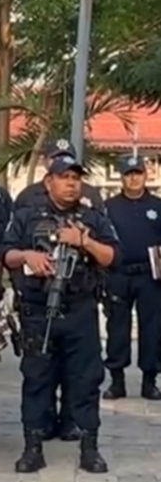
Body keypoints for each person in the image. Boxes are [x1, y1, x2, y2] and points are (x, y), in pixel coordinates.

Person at [2, 155, 118, 474]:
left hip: (80, 310)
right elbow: (6, 254)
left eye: (75, 178)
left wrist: (83, 240)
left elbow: (110, 256)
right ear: (48, 182)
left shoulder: (93, 217)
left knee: (86, 379)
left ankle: (89, 447)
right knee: (37, 378)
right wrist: (28, 255)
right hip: (39, 310)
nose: (71, 183)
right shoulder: (26, 215)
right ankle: (32, 447)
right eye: (64, 177)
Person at [102, 155, 161, 400]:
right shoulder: (109, 207)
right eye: (128, 174)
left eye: (137, 173)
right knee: (117, 327)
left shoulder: (157, 206)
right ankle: (117, 380)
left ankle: (150, 380)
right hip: (119, 274)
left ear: (146, 175)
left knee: (153, 329)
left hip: (150, 276)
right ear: (121, 177)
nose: (133, 178)